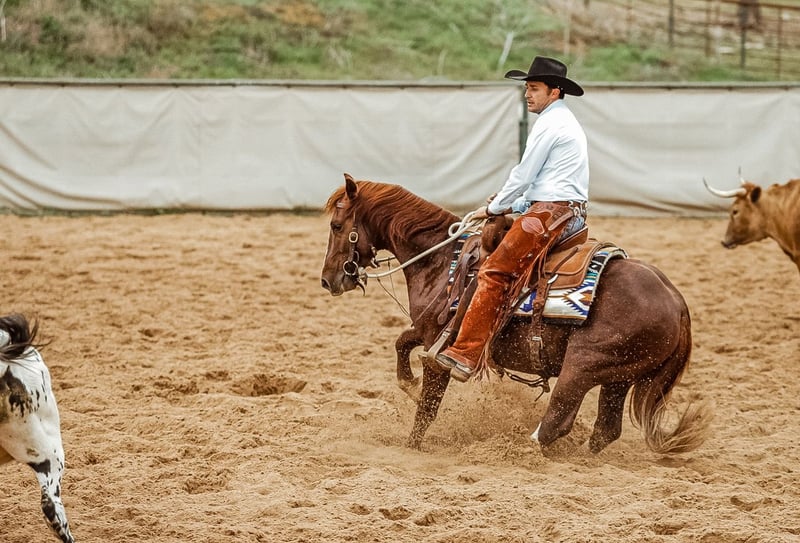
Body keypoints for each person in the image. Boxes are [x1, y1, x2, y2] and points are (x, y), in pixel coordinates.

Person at [436, 55, 589, 382]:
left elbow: (523, 175)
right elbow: (543, 183)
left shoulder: (550, 124)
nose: (527, 94)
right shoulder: (561, 121)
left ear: (554, 91)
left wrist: (494, 208)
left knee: (495, 271)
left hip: (551, 213)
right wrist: (512, 204)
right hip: (559, 208)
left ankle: (465, 354)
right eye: (526, 88)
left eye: (534, 88)